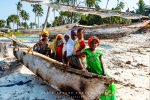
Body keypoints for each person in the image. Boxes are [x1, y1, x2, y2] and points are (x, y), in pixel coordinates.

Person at [77, 36, 117, 100]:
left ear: (97, 44)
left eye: (95, 43)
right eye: (92, 43)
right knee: (98, 85)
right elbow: (78, 58)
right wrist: (82, 68)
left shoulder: (99, 52)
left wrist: (104, 71)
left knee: (110, 84)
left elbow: (102, 62)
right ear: (90, 44)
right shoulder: (87, 51)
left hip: (100, 70)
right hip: (92, 70)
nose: (94, 44)